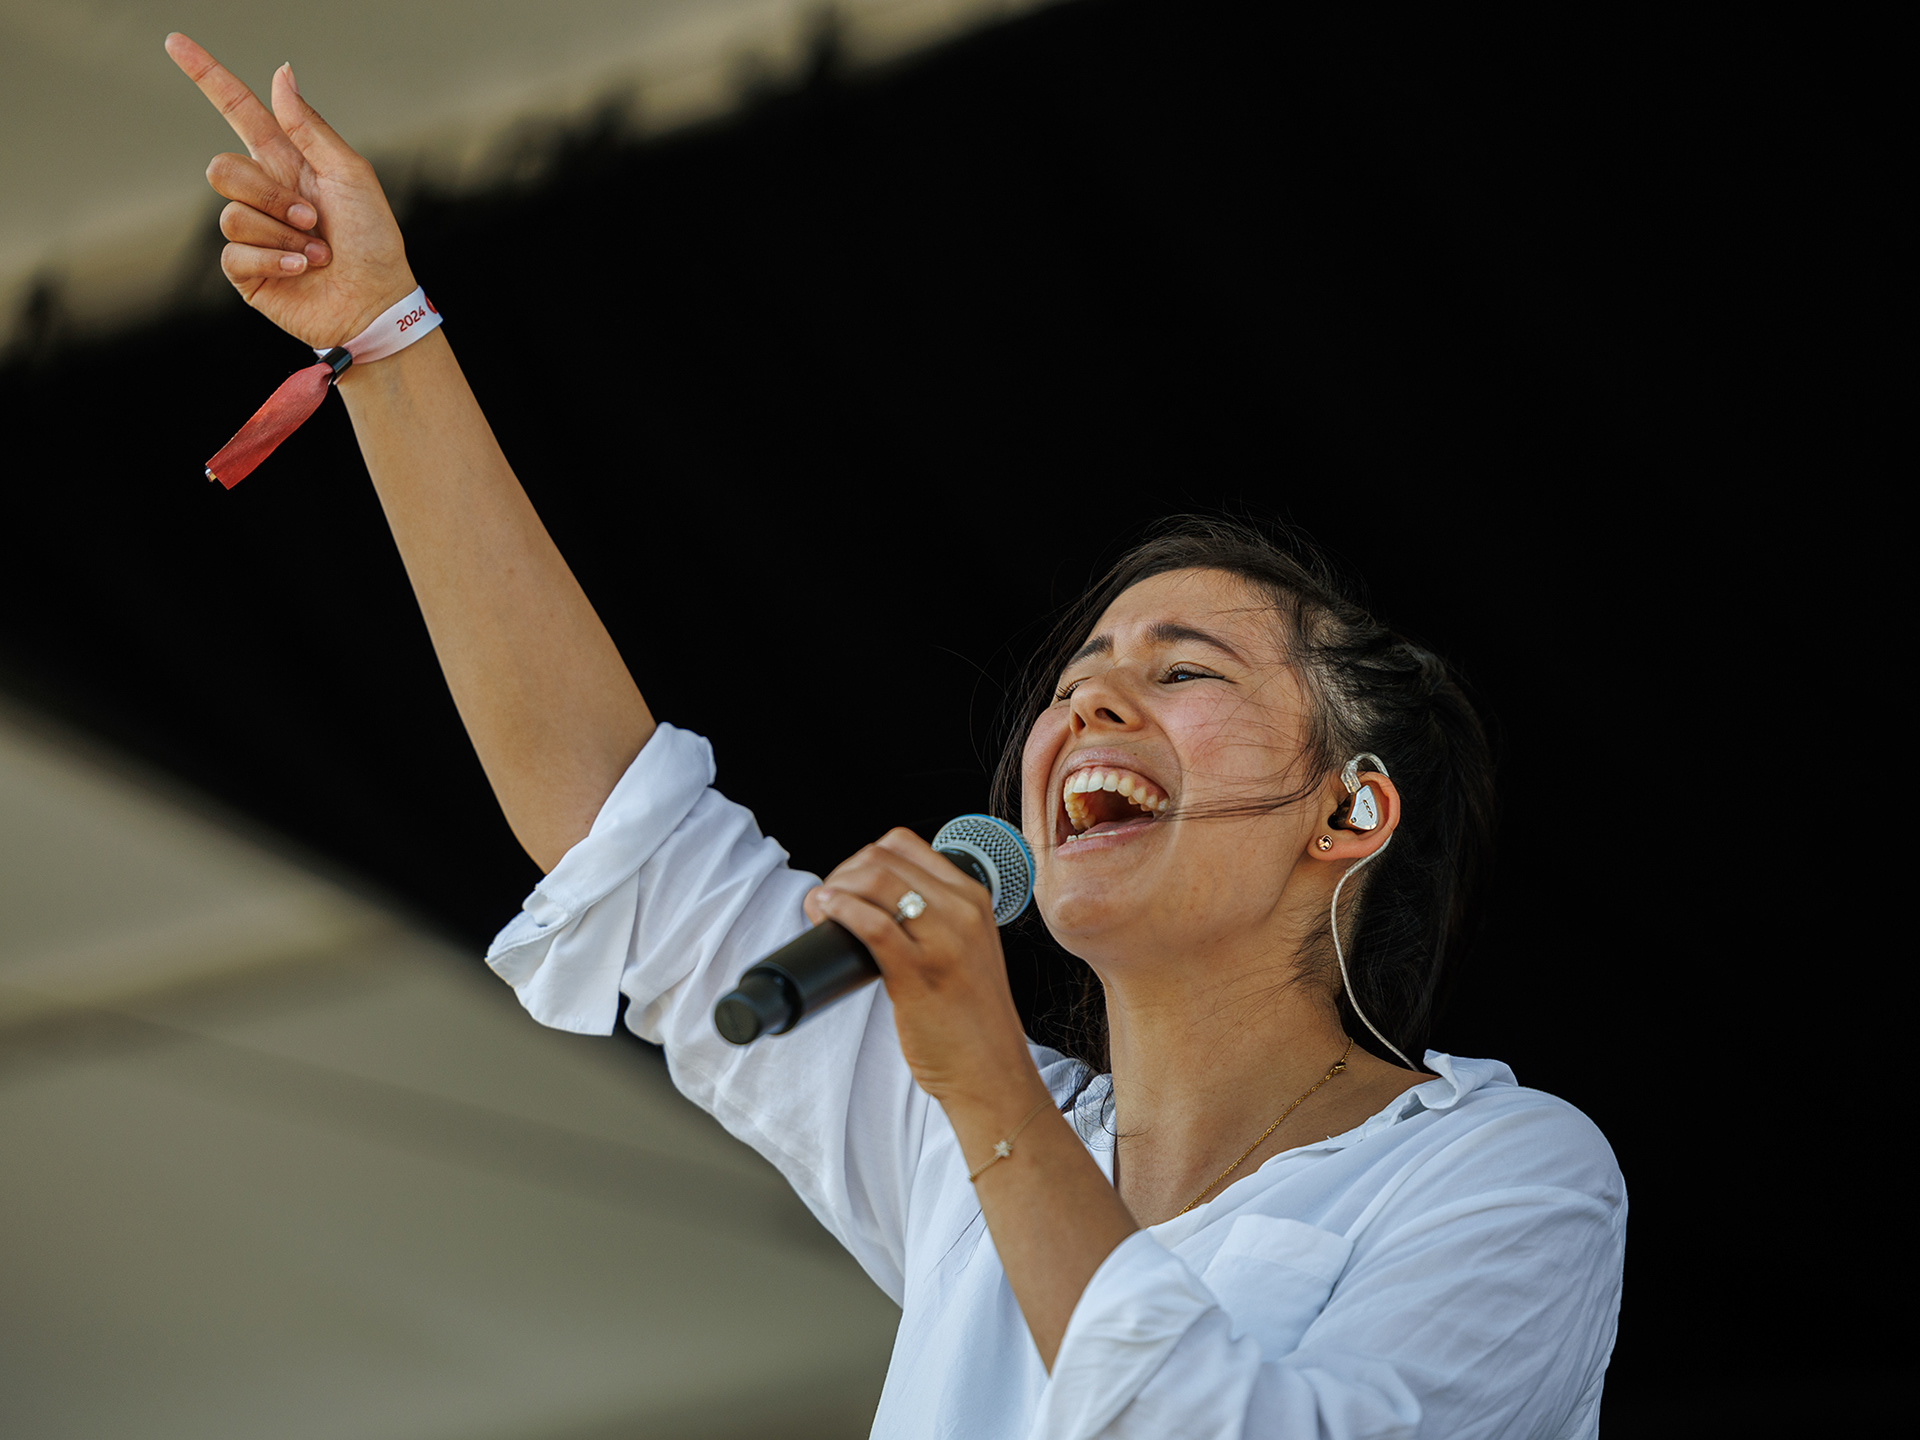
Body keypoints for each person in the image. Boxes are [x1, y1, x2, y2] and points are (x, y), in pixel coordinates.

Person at [164, 34, 1626, 1438]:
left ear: (1351, 812)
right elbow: (621, 831)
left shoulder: (1495, 1172)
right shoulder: (967, 1139)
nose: (1088, 705)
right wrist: (385, 329)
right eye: (1075, 680)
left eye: (1185, 670)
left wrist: (985, 1087)